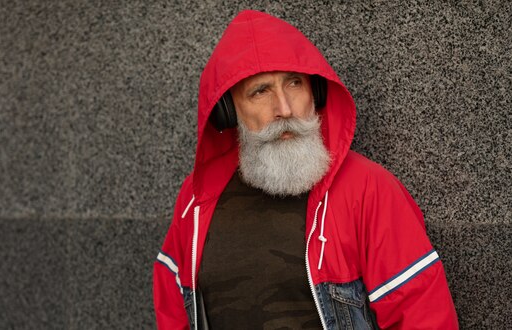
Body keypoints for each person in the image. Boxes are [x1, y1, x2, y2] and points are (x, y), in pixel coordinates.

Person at [153, 10, 458, 329]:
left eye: (294, 84)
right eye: (260, 91)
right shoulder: (196, 199)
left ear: (317, 92)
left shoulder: (368, 188)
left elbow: (423, 314)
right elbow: (173, 313)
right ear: (228, 111)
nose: (284, 109)